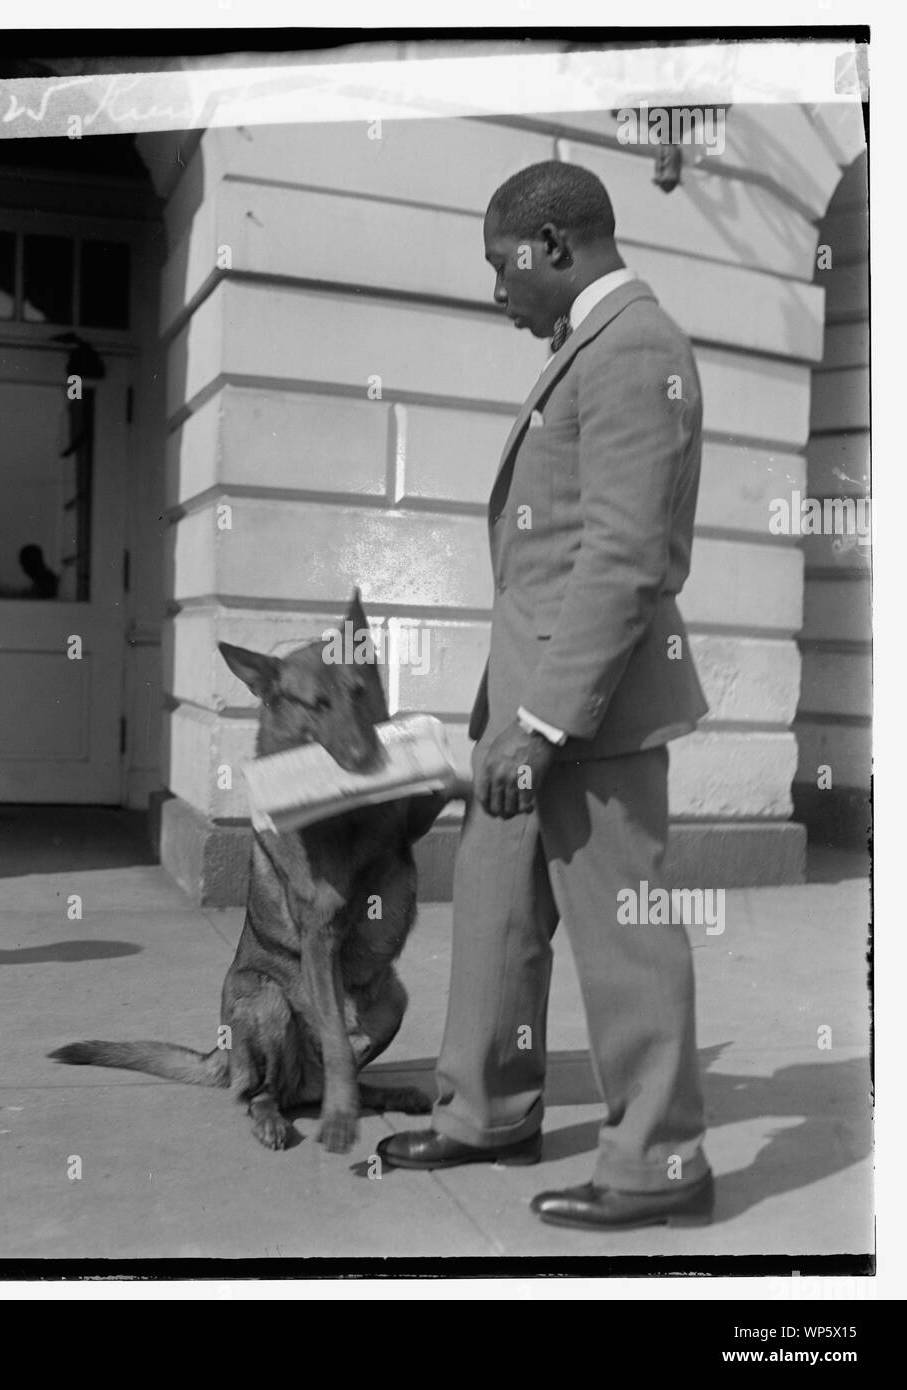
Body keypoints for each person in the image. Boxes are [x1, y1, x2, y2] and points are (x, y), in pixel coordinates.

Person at [377, 161, 714, 1231]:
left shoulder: (635, 350)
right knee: (492, 914)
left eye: (499, 264)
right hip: (526, 704)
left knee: (625, 937)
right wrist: (504, 713)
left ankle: (659, 1162)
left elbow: (619, 556)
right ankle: (487, 1112)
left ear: (554, 245)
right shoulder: (594, 349)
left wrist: (541, 723)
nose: (495, 290)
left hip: (586, 715)